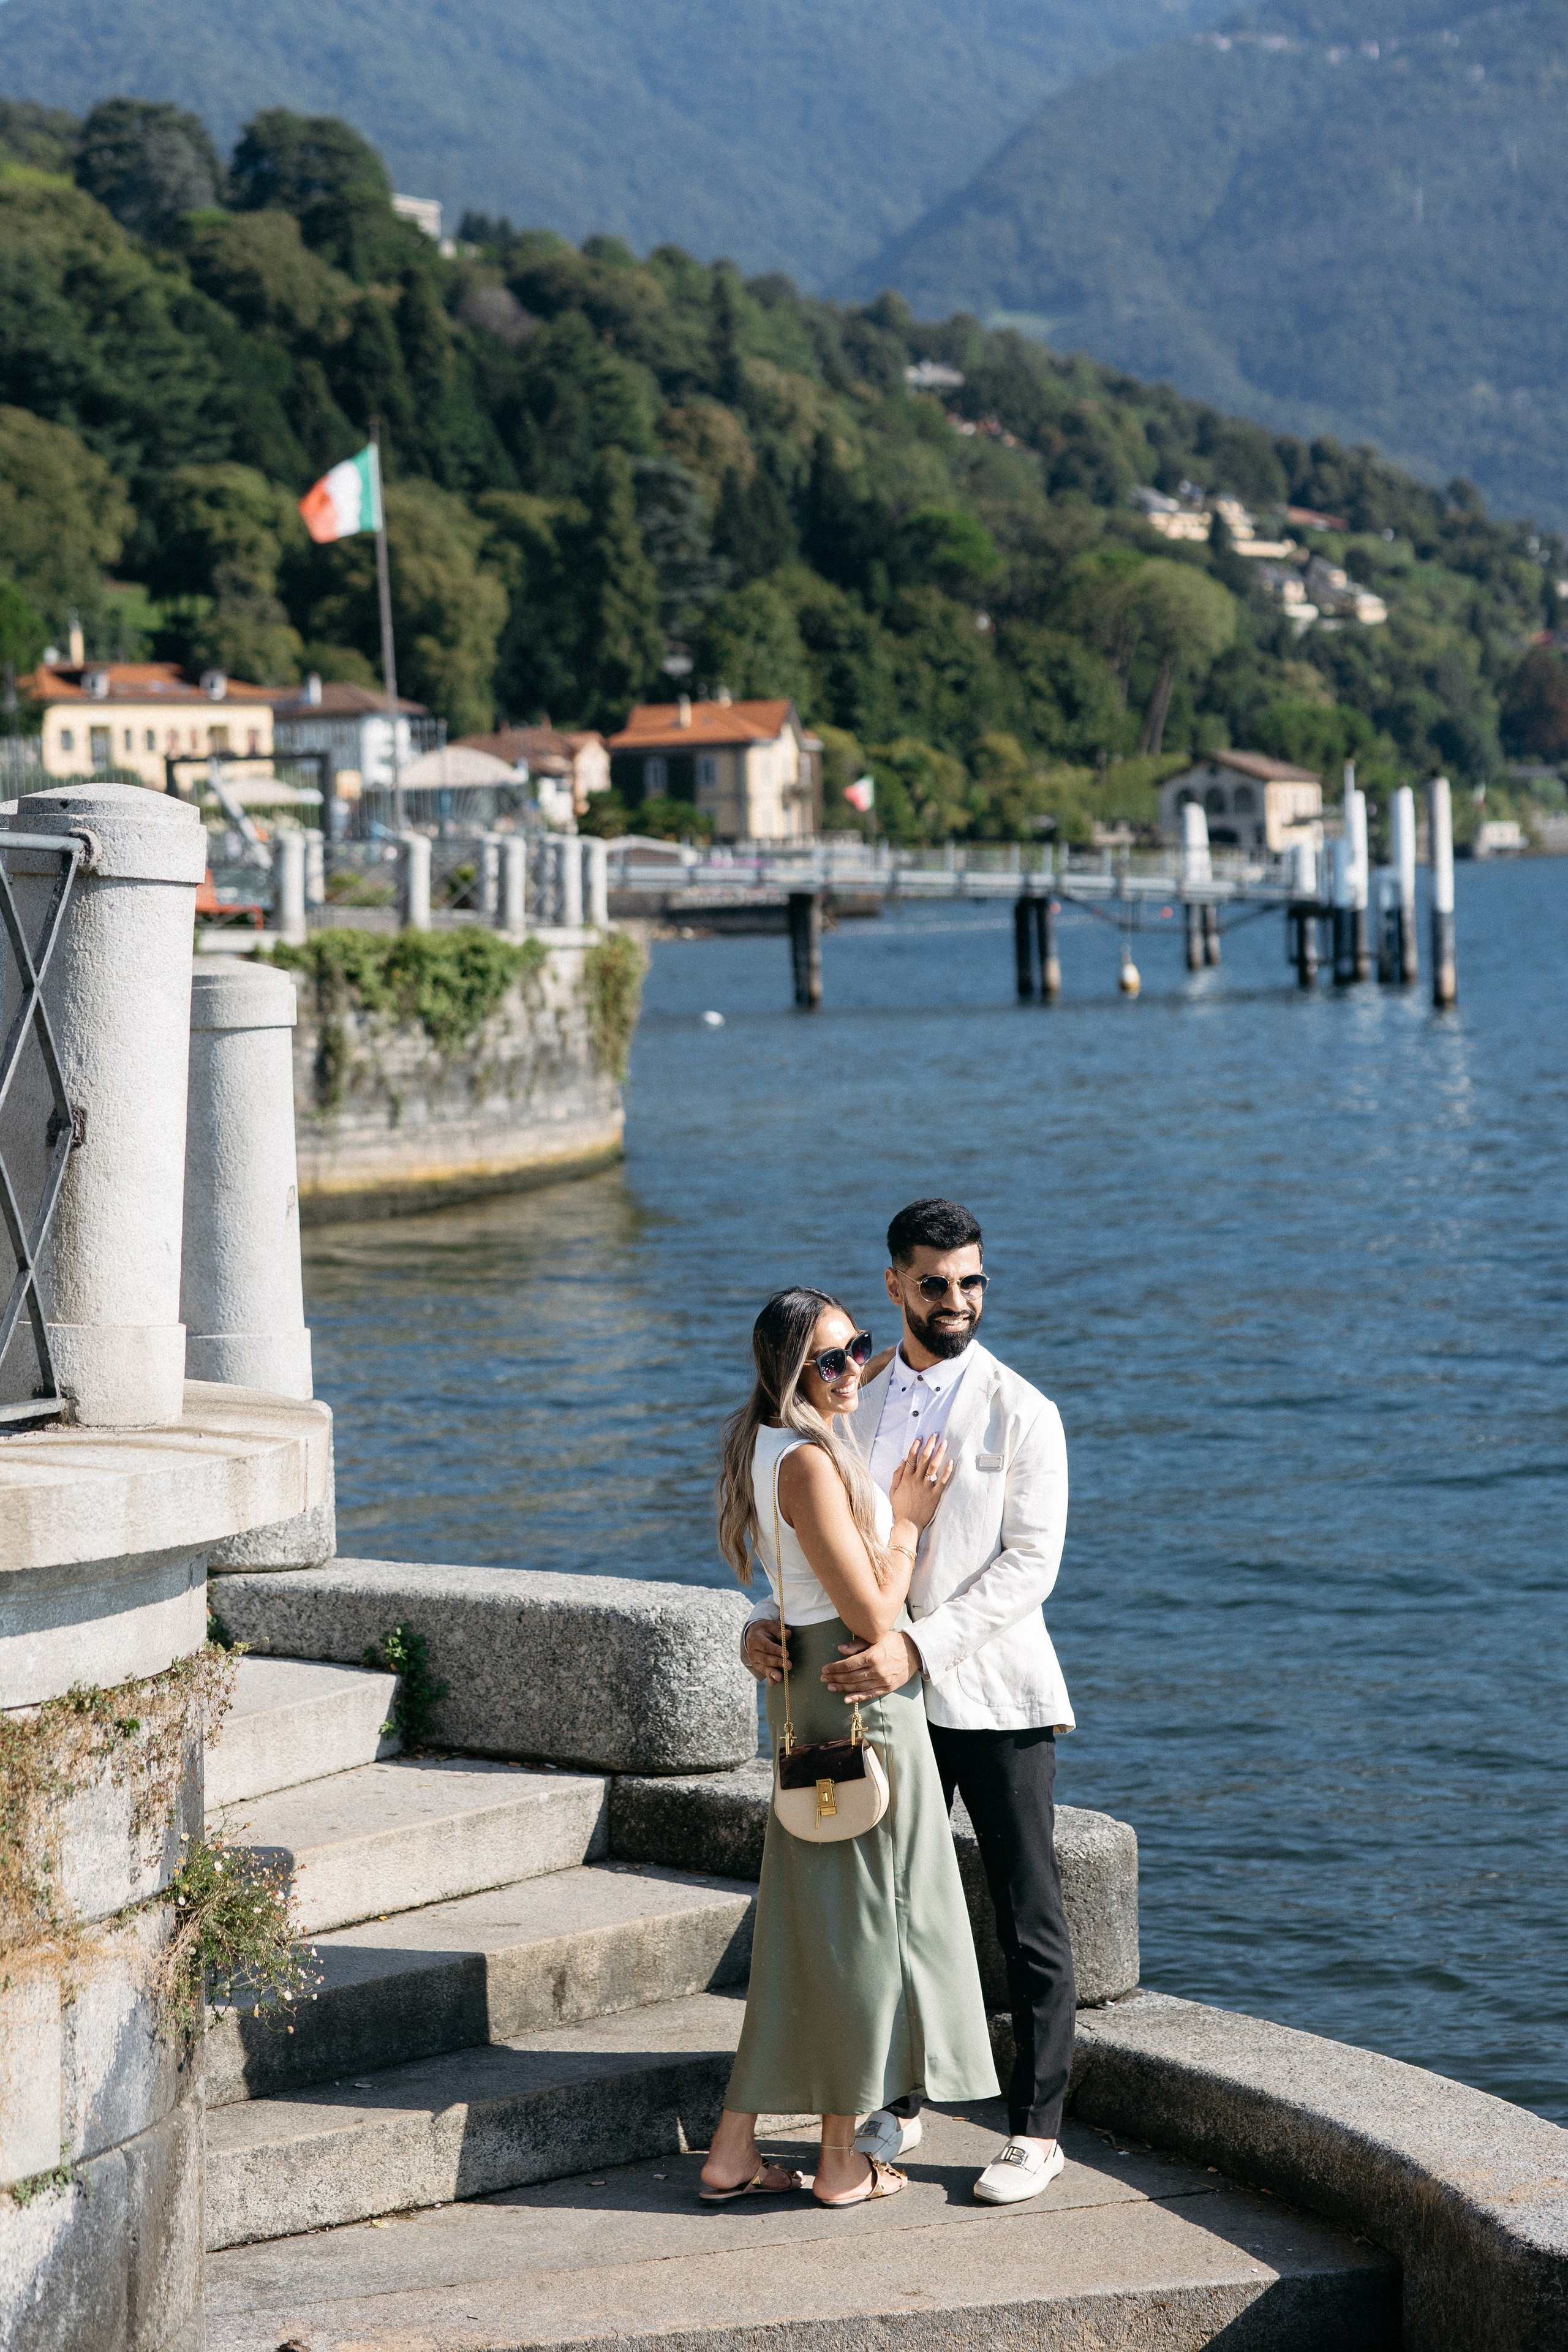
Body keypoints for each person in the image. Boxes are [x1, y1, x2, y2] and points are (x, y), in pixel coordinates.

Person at [744, 1199, 1075, 2207]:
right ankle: (901, 2101)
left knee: (1028, 1919)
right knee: (885, 1916)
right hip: (871, 1703)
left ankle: (1035, 2131)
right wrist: (764, 1619)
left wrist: (915, 1648)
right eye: (934, 1283)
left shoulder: (1025, 1410)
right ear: (895, 1286)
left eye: (972, 1281)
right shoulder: (852, 1389)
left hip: (990, 1693)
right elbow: (818, 1533)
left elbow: (1031, 1567)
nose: (957, 1300)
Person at [702, 1284, 999, 2209]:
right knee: (868, 1925)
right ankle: (839, 2162)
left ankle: (731, 2152)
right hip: (860, 1700)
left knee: (814, 1926)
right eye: (831, 1360)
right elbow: (874, 1614)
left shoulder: (770, 1444)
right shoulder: (807, 1465)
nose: (853, 1370)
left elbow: (799, 1585)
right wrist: (905, 1518)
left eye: (857, 1348)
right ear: (791, 1371)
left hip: (814, 1697)